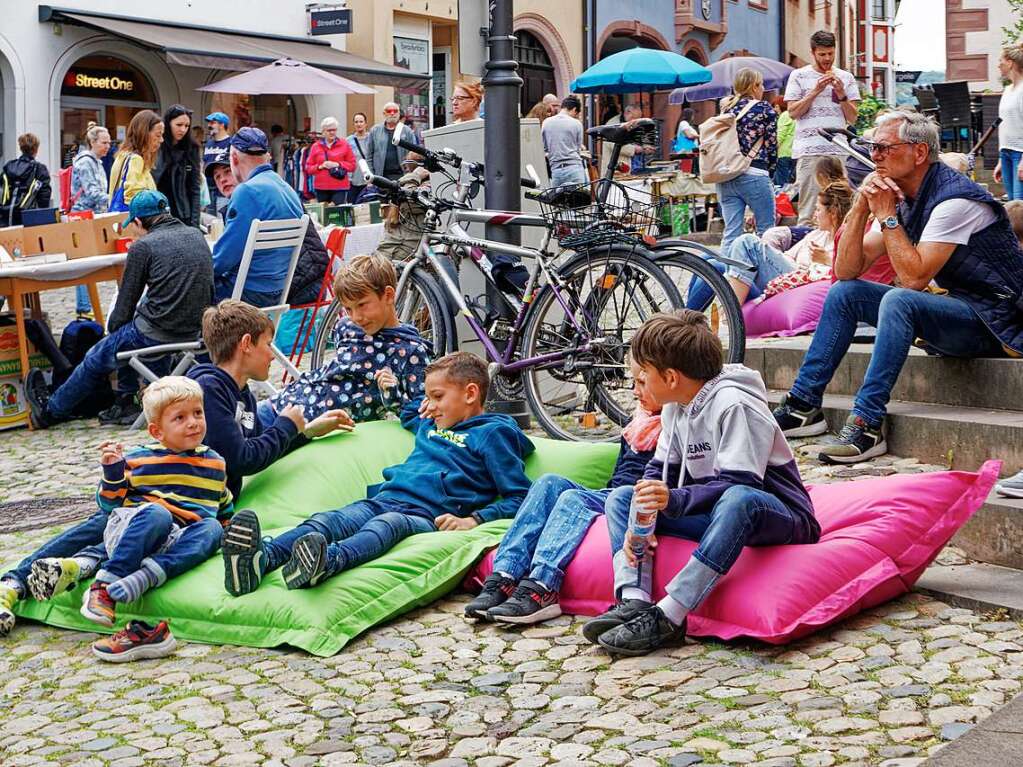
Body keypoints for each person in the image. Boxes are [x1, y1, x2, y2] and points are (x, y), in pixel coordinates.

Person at [772, 110, 1023, 463]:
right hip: (957, 309)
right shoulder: (904, 197)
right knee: (846, 294)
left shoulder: (956, 201)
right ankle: (802, 405)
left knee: (900, 300)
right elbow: (844, 272)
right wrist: (860, 207)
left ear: (918, 153)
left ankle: (867, 422)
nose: (874, 156)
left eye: (883, 148)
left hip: (995, 322)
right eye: (872, 147)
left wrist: (887, 215)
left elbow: (913, 278)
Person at [582, 311, 819, 655]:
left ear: (671, 377)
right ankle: (633, 600)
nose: (640, 386)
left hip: (778, 516)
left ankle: (671, 615)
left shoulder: (735, 405)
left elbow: (740, 484)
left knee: (739, 498)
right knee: (622, 497)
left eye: (644, 376)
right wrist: (640, 521)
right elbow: (657, 472)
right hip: (712, 514)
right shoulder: (675, 407)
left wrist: (674, 500)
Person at [221, 352, 534, 596]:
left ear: (470, 394)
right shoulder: (432, 422)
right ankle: (261, 558)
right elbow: (407, 412)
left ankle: (326, 562)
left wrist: (474, 519)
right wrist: (400, 394)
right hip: (387, 497)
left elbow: (520, 495)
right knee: (329, 520)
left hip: (427, 514)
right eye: (428, 397)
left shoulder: (493, 434)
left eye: (438, 397)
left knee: (385, 526)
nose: (431, 405)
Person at [39, 377, 231, 661]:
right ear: (157, 431)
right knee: (158, 514)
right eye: (180, 417)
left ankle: (141, 579)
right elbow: (108, 503)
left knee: (212, 528)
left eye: (198, 413)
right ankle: (103, 587)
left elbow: (223, 504)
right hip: (135, 528)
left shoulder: (215, 462)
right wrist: (113, 472)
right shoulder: (140, 459)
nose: (193, 422)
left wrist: (229, 530)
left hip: (175, 542)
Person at [466, 359, 662, 624]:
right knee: (549, 483)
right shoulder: (638, 421)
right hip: (611, 492)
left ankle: (542, 587)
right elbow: (618, 474)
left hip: (630, 500)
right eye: (634, 381)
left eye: (642, 382)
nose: (635, 392)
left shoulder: (672, 426)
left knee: (572, 498)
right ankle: (505, 575)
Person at [24, 191, 214, 429]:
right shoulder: (196, 235)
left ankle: (50, 411)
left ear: (138, 222)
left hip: (156, 334)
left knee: (97, 355)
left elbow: (124, 306)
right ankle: (126, 399)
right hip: (193, 333)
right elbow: (209, 288)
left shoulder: (143, 247)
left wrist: (113, 331)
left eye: (132, 226)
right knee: (128, 335)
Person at [189, 300, 353, 502]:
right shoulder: (209, 390)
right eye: (268, 344)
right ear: (246, 344)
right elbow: (240, 460)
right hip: (196, 506)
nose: (272, 355)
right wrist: (286, 426)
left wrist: (307, 431)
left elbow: (262, 448)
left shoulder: (242, 393)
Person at [259, 254, 431, 427]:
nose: (356, 317)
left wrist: (392, 396)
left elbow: (421, 414)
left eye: (362, 305)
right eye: (348, 309)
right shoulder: (346, 327)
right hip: (284, 403)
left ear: (388, 295)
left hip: (304, 427)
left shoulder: (411, 351)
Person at [687, 181, 855, 309]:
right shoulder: (817, 234)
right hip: (784, 274)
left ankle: (730, 316)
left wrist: (825, 259)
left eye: (818, 210)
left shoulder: (845, 240)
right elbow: (788, 256)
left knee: (746, 242)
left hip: (794, 286)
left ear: (832, 213)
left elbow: (847, 270)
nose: (814, 214)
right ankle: (683, 316)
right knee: (709, 261)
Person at [204, 146, 328, 307]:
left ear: (238, 168)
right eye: (217, 177)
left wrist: (199, 272)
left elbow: (224, 259)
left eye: (227, 172)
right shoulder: (278, 187)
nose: (222, 180)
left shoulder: (247, 194)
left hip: (273, 290)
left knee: (199, 287)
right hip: (286, 285)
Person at [784, 30, 860, 226]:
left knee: (843, 207)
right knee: (808, 211)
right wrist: (815, 91)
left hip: (839, 150)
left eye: (830, 53)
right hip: (809, 151)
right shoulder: (798, 76)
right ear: (813, 52)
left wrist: (841, 94)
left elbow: (852, 118)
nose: (827, 58)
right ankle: (805, 252)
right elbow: (793, 112)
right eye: (822, 54)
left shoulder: (846, 77)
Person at [716, 68, 778, 259]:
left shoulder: (726, 109)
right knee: (766, 231)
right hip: (754, 174)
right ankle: (765, 280)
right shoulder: (764, 109)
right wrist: (772, 172)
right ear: (754, 86)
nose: (764, 88)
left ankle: (723, 280)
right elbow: (772, 146)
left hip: (726, 176)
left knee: (731, 233)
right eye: (761, 84)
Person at [69, 124, 111, 317]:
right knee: (84, 264)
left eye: (109, 142)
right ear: (92, 142)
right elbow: (92, 192)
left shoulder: (97, 162)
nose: (108, 146)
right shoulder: (86, 162)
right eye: (104, 142)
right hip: (82, 218)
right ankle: (84, 308)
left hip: (91, 217)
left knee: (89, 264)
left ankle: (86, 307)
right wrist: (114, 200)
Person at [153, 104, 201, 227]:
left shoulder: (192, 148)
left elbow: (195, 188)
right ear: (168, 123)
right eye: (179, 125)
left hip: (183, 214)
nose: (183, 130)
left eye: (186, 126)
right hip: (159, 213)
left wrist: (194, 223)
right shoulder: (157, 147)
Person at [1, 133, 51, 227]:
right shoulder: (40, 169)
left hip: (5, 217)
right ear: (36, 149)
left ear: (21, 148)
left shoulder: (9, 166)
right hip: (29, 218)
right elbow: (44, 198)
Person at [305, 116, 356, 205]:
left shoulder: (344, 144)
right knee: (324, 215)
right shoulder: (316, 146)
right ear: (323, 131)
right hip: (321, 187)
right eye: (329, 130)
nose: (332, 132)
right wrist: (321, 166)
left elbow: (352, 165)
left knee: (337, 214)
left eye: (334, 130)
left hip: (340, 186)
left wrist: (337, 164)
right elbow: (308, 168)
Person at [994, 45, 1023, 201]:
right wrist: (1000, 159)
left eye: (1001, 60)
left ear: (1010, 63)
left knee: (1020, 205)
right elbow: (1004, 126)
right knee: (1012, 204)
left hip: (1020, 154)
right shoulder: (1007, 90)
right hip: (1006, 153)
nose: (998, 65)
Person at [542, 95, 588, 188]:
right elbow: (578, 148)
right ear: (574, 109)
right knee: (578, 200)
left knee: (557, 201)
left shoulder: (546, 122)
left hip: (556, 170)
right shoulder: (576, 123)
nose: (576, 117)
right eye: (577, 114)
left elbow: (545, 148)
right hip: (574, 168)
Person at [365, 102, 417, 182]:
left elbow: (414, 154)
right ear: (384, 113)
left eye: (395, 111)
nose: (392, 113)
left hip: (402, 175)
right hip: (380, 176)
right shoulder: (375, 131)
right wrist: (371, 176)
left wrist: (411, 174)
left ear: (399, 113)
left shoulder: (407, 131)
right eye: (389, 111)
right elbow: (369, 156)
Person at [204, 111, 233, 215]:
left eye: (213, 123)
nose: (209, 125)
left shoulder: (231, 143)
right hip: (208, 190)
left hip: (223, 191)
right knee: (211, 223)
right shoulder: (208, 144)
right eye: (209, 123)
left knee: (222, 220)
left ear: (222, 125)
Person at [347, 112, 371, 202]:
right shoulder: (348, 141)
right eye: (356, 122)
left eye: (361, 121)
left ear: (365, 123)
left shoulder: (371, 138)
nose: (359, 124)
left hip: (368, 180)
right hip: (353, 181)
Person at [773, 97, 796, 187]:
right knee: (792, 184)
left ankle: (783, 200)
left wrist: (773, 151)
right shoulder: (798, 115)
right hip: (795, 153)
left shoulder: (785, 115)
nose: (774, 110)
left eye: (776, 107)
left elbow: (780, 136)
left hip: (783, 154)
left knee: (781, 184)